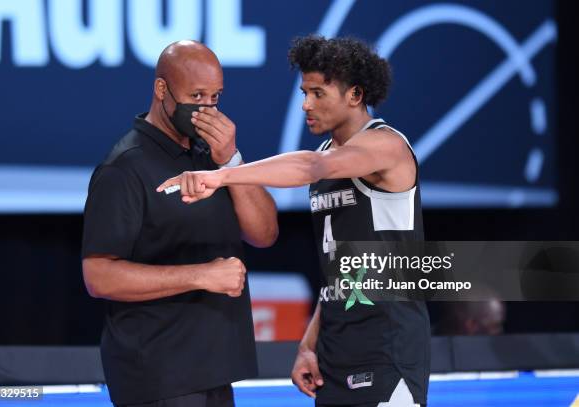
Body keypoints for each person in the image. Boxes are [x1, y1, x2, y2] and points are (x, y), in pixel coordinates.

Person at [157, 35, 430, 407]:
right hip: (336, 349)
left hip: (389, 348)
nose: (306, 104)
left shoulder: (387, 146)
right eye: (304, 92)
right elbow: (341, 272)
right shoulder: (326, 154)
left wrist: (222, 174)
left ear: (355, 94)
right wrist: (309, 342)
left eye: (318, 93)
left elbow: (308, 166)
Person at [81, 40, 278, 407]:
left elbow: (265, 233)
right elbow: (99, 276)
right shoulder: (125, 167)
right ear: (162, 90)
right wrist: (200, 275)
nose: (206, 109)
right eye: (196, 95)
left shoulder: (211, 155)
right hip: (159, 376)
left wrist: (232, 162)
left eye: (215, 98)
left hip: (215, 369)